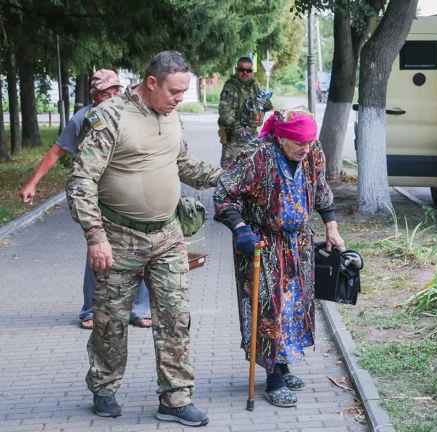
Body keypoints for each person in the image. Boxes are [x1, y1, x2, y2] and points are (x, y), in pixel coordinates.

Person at [66, 51, 222, 426]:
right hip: (118, 238)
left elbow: (184, 164)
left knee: (175, 318)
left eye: (184, 91)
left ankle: (175, 398)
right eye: (174, 90)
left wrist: (230, 178)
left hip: (167, 236)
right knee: (110, 322)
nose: (179, 98)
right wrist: (94, 236)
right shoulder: (110, 116)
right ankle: (104, 387)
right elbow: (81, 181)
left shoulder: (172, 117)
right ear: (151, 82)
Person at [213, 107, 345, 408]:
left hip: (298, 242)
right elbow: (223, 194)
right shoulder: (256, 155)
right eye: (299, 142)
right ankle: (273, 378)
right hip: (264, 242)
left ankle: (284, 366)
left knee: (294, 305)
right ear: (281, 137)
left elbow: (320, 188)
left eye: (309, 142)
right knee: (269, 309)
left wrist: (331, 226)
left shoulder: (312, 151)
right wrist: (240, 228)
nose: (305, 148)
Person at [20, 69, 152, 330]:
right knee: (98, 251)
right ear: (94, 96)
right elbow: (57, 152)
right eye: (106, 92)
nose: (113, 95)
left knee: (142, 248)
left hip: (132, 194)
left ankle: (140, 308)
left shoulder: (131, 113)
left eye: (116, 90)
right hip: (97, 197)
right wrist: (33, 183)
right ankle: (90, 310)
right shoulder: (84, 118)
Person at [217, 56, 273, 169]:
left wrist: (267, 104)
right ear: (237, 70)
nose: (245, 73)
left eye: (248, 70)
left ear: (252, 72)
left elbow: (265, 106)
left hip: (251, 139)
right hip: (234, 141)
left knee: (251, 175)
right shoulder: (230, 86)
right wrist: (234, 124)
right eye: (242, 70)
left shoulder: (254, 87)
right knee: (230, 175)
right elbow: (223, 110)